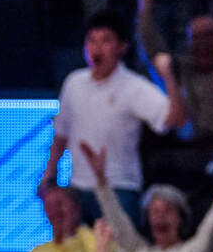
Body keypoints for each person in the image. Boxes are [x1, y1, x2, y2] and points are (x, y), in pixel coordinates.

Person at [55, 11, 184, 217]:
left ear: (122, 47)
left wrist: (168, 76)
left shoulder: (134, 86)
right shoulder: (73, 82)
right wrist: (49, 176)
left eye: (105, 41)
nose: (97, 48)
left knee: (121, 249)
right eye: (92, 40)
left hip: (120, 188)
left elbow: (174, 119)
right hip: (78, 189)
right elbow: (61, 134)